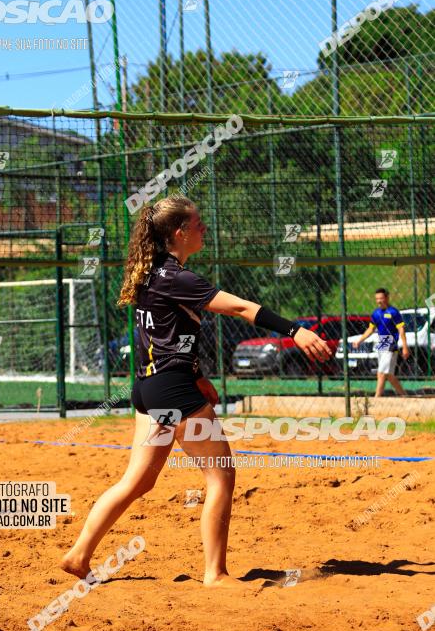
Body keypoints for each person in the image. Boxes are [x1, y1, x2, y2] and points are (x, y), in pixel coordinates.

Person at [61, 197, 331, 587]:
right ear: (179, 233)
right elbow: (239, 309)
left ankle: (78, 554)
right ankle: (215, 574)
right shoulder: (177, 277)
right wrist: (296, 330)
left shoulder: (150, 274)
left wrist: (198, 373)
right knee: (221, 476)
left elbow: (165, 339)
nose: (204, 228)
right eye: (198, 223)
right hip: (173, 391)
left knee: (137, 481)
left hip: (150, 387)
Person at [353, 287, 410, 397]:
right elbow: (370, 329)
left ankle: (376, 399)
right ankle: (404, 396)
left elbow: (401, 329)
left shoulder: (393, 312)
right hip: (381, 343)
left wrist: (405, 346)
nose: (379, 301)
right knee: (389, 375)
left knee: (381, 373)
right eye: (377, 299)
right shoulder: (376, 313)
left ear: (387, 298)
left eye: (381, 298)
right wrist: (359, 340)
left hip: (391, 343)